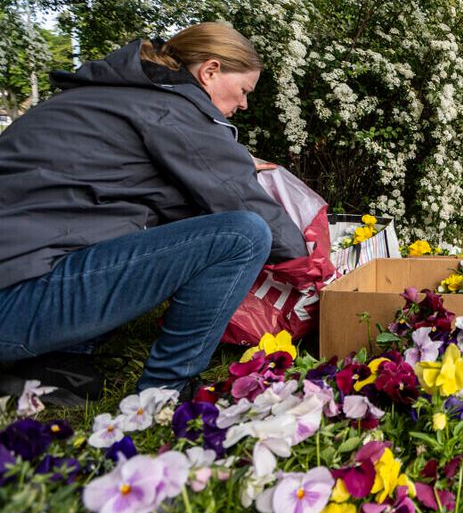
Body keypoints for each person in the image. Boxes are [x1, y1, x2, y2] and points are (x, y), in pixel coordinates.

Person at [0, 22, 309, 400]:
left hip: (18, 277)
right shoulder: (172, 110)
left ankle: (61, 361)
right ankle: (164, 392)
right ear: (210, 71)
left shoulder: (120, 96)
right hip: (13, 300)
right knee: (243, 234)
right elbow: (241, 202)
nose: (244, 104)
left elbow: (164, 204)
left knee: (158, 228)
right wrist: (313, 268)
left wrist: (230, 162)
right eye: (243, 90)